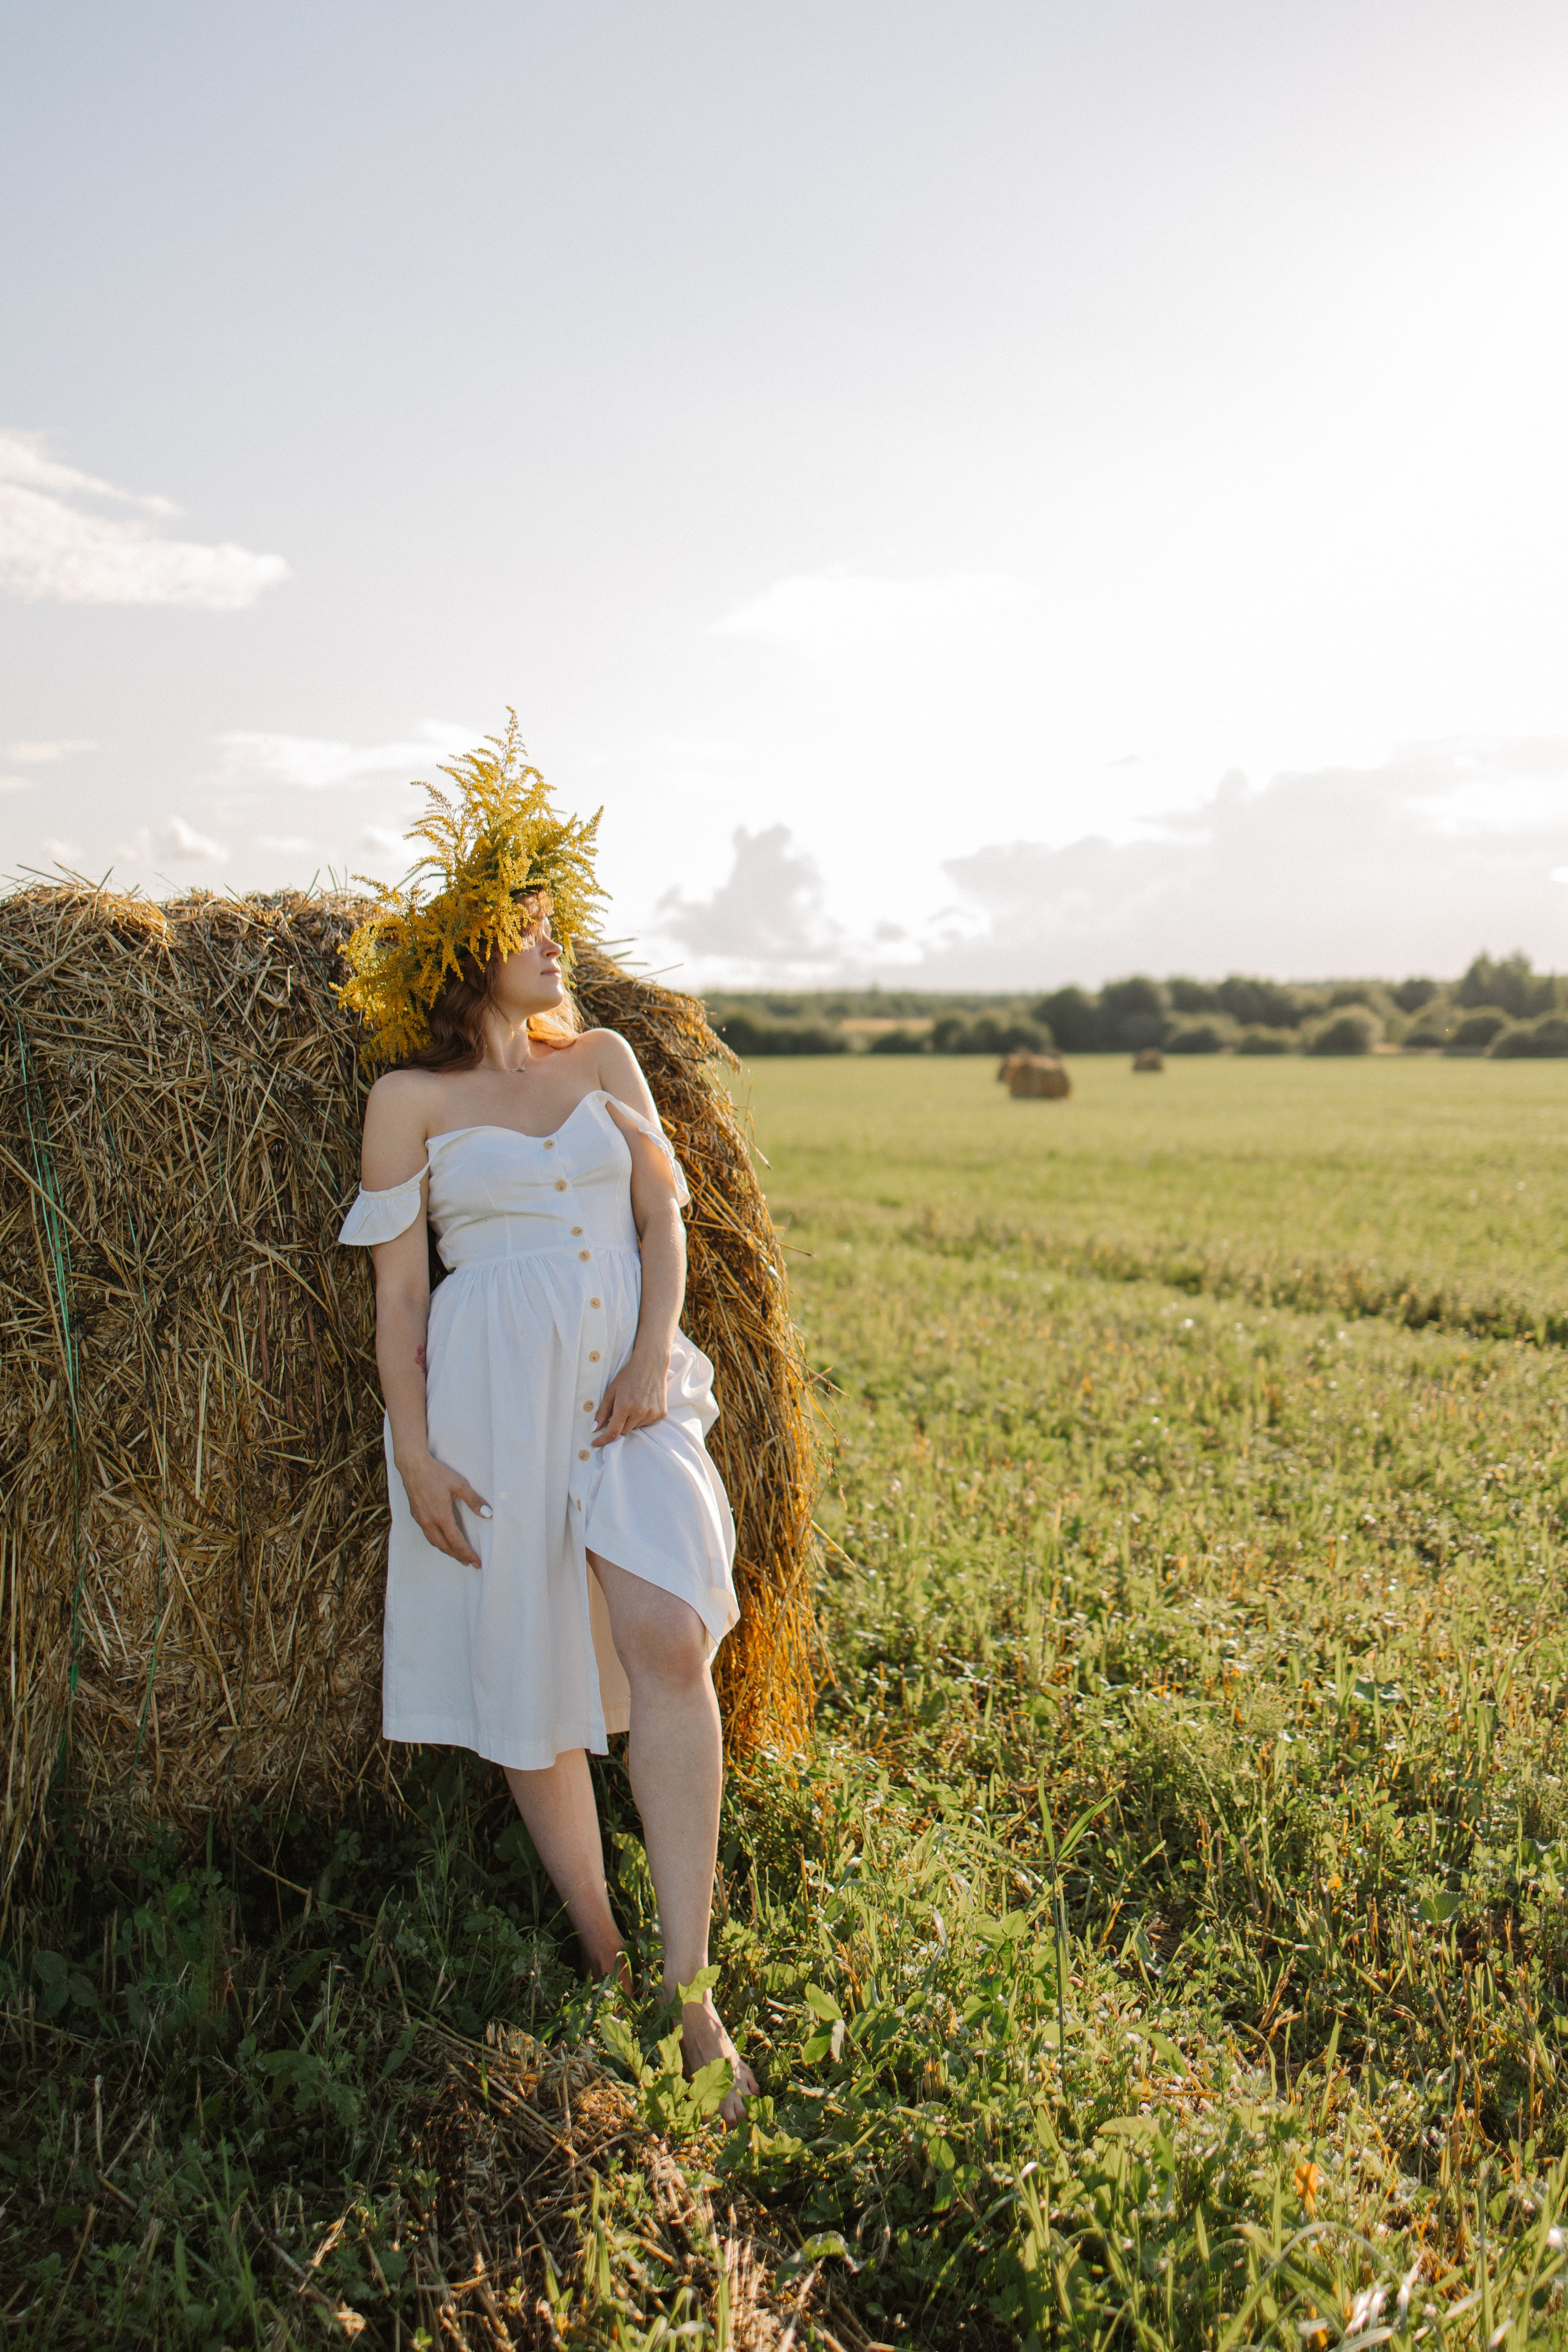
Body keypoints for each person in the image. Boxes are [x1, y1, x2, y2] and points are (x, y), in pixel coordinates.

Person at [335, 723, 757, 2121]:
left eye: (554, 920)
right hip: (488, 1400)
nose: (555, 942)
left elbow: (663, 1219)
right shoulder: (409, 1103)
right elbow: (402, 1294)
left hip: (627, 1386)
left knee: (669, 1639)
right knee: (526, 1669)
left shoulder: (609, 1060)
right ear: (468, 949)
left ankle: (693, 1992)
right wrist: (413, 1447)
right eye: (528, 925)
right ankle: (603, 1944)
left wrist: (650, 1355)